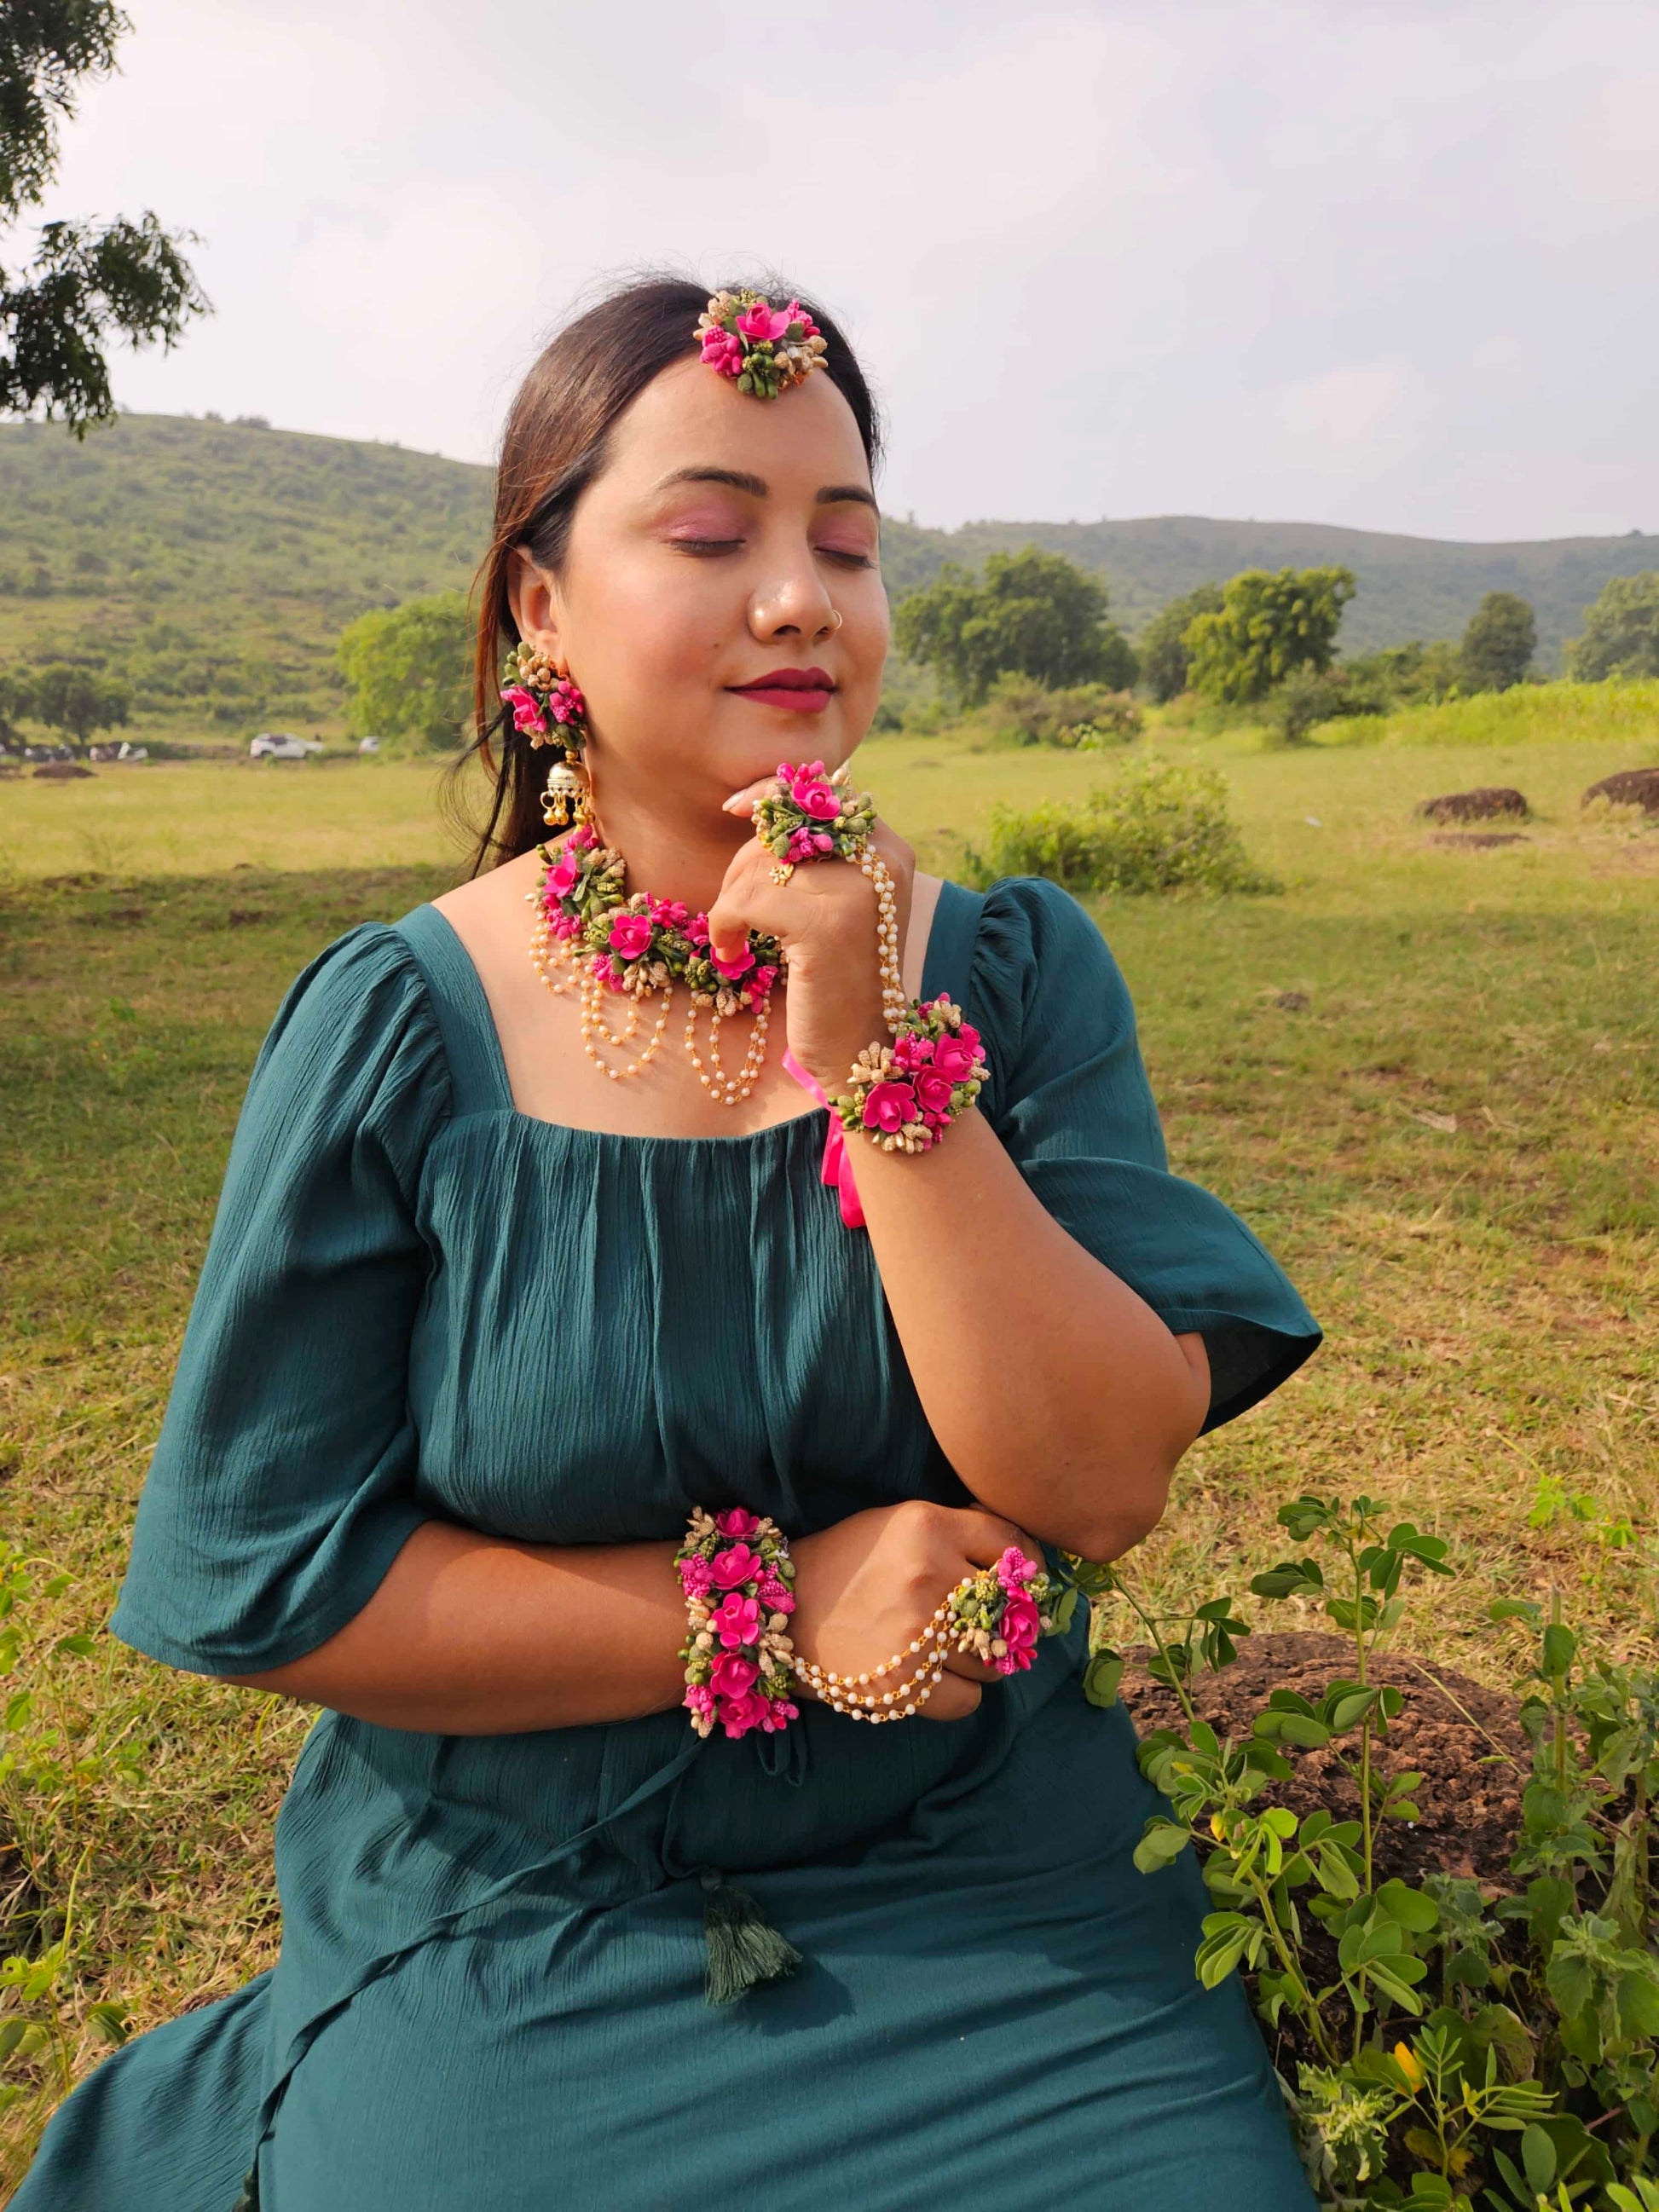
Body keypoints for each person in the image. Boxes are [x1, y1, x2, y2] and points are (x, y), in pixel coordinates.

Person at [18, 276, 1321, 2211]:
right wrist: (770, 1605)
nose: (800, 595)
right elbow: (279, 1578)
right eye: (713, 533)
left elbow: (1100, 1474)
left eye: (848, 543)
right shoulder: (403, 1025)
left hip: (988, 1883)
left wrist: (883, 1059)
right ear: (539, 604)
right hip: (519, 1898)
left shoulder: (1013, 976)